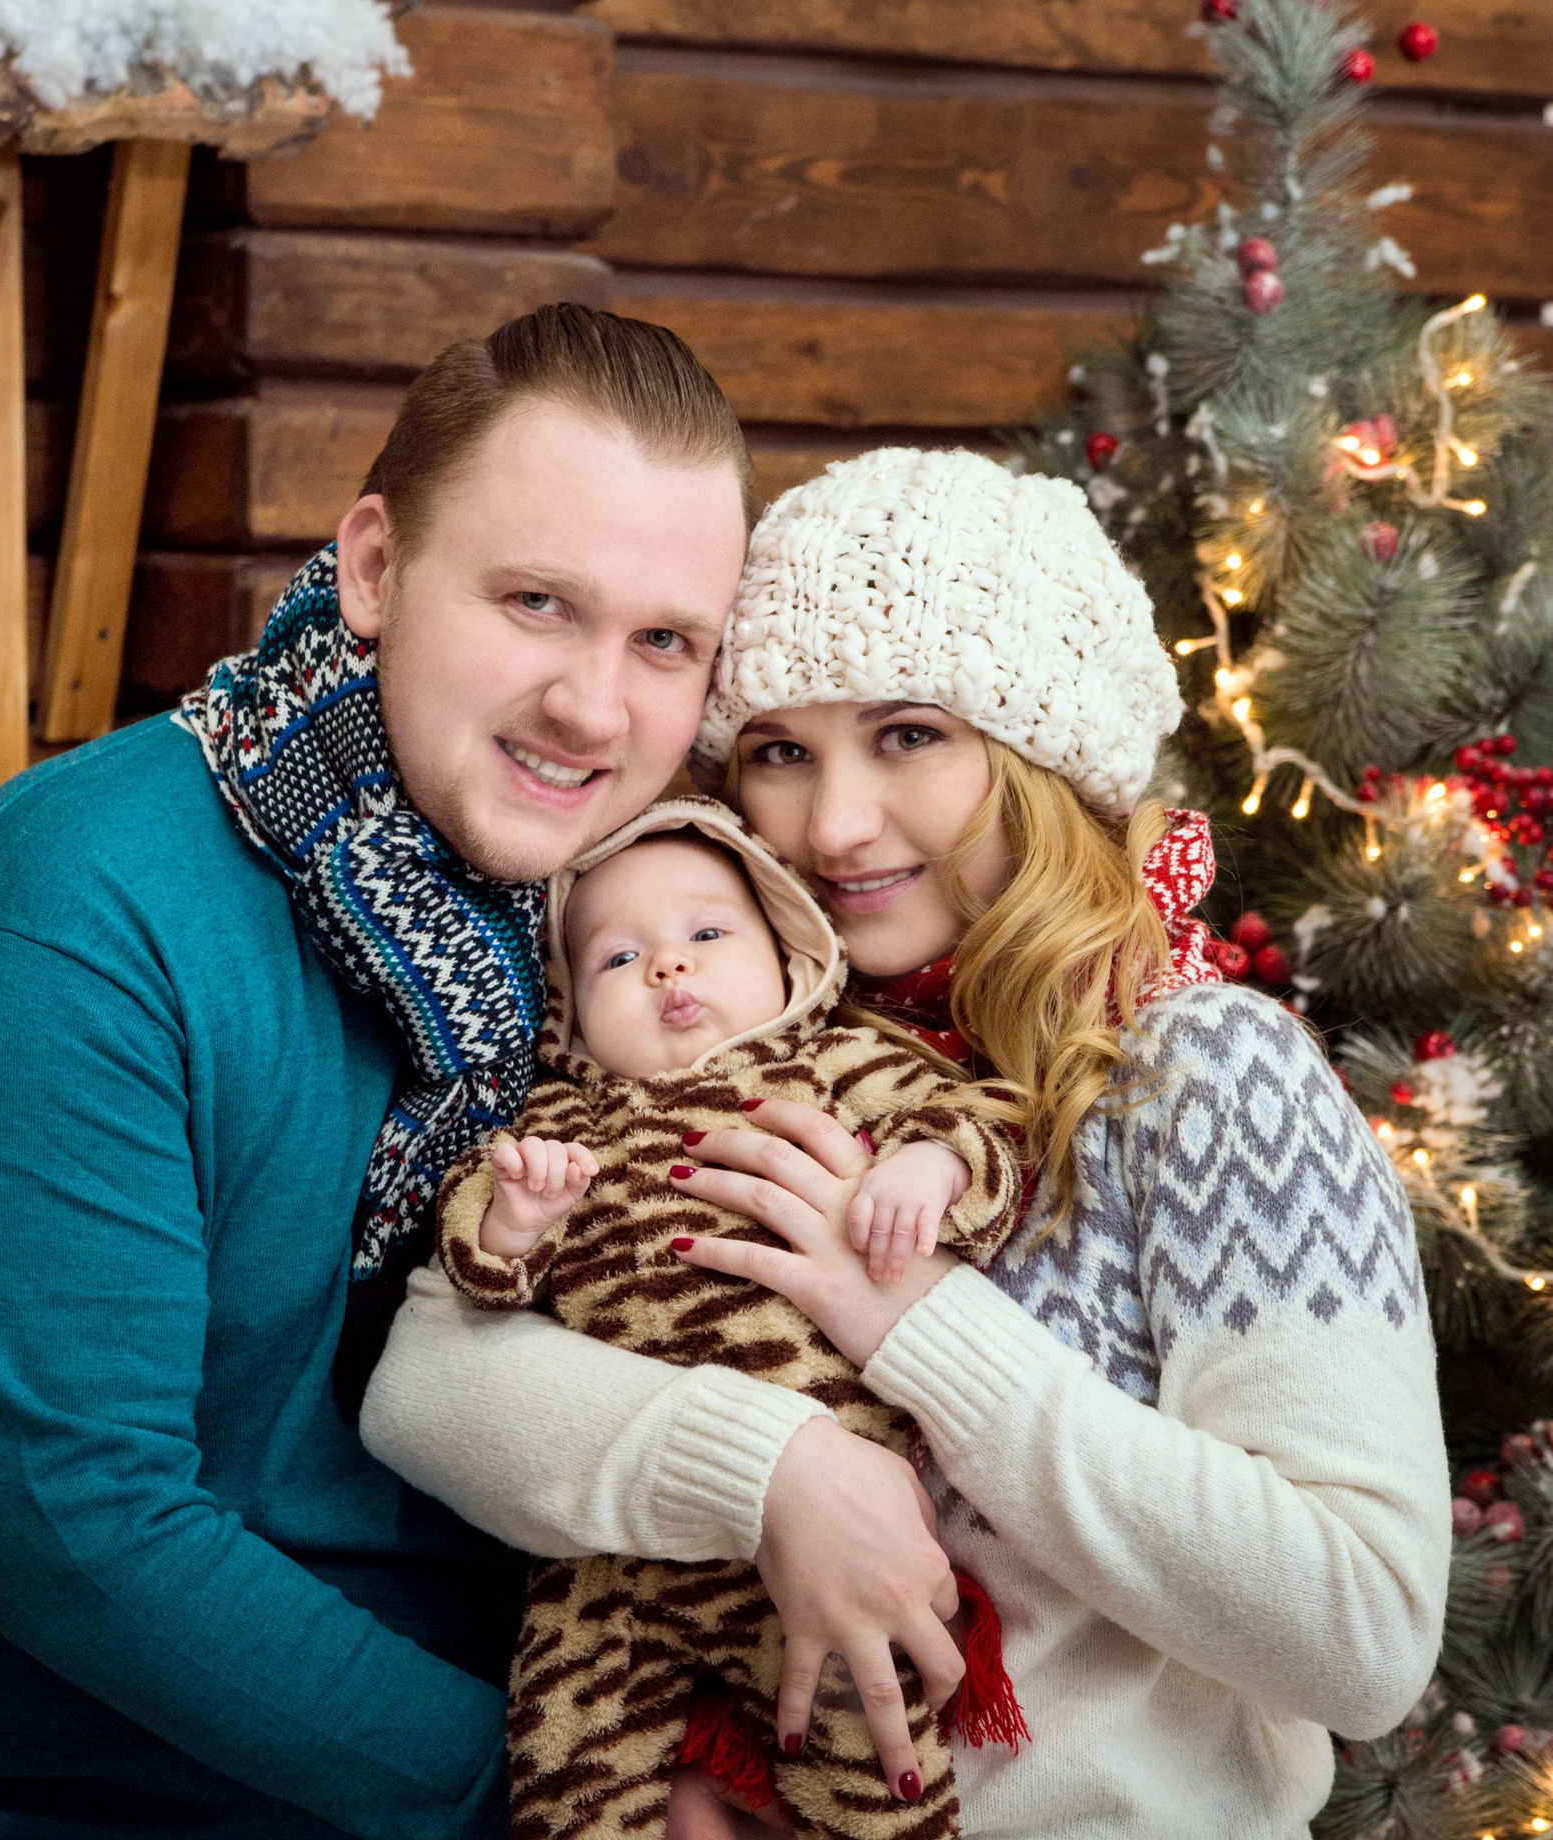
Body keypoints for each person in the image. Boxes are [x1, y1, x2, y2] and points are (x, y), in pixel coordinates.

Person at [363, 447, 1450, 1840]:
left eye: (910, 735)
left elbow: (1364, 1634)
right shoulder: (728, 1025)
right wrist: (773, 1472)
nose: (834, 825)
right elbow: (428, 1382)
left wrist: (921, 1325)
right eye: (778, 752)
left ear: (1040, 756)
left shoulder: (1199, 1074)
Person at [0, 304, 770, 1837]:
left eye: (664, 641)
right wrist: (566, 1797)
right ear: (376, 567)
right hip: (142, 1811)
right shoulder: (73, 903)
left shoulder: (634, 925)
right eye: (538, 602)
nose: (597, 707)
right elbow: (85, 1539)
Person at [436, 799, 1028, 1840]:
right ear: (569, 1008)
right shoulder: (563, 1120)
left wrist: (930, 1168)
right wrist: (517, 1221)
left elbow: (979, 1129)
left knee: (873, 1758)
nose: (668, 967)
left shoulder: (833, 1065)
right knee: (565, 1766)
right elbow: (477, 1269)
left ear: (788, 954)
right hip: (604, 1554)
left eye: (707, 935)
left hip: (829, 1551)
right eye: (619, 957)